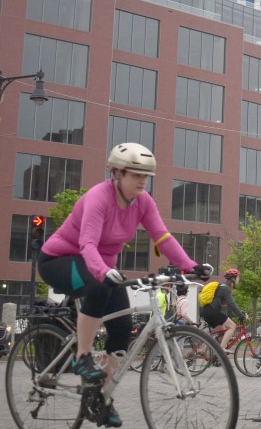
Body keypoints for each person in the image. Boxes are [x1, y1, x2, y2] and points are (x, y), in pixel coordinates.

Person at [37, 143, 211, 428]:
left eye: (146, 175)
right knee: (97, 286)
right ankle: (82, 357)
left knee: (122, 326)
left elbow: (162, 237)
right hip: (61, 259)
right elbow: (87, 244)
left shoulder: (143, 201)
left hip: (100, 267)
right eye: (135, 174)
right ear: (117, 173)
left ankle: (99, 398)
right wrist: (103, 271)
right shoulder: (99, 198)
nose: (142, 180)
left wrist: (189, 265)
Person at [200, 268, 249, 353]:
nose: (238, 279)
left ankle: (204, 350)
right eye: (238, 277)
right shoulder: (226, 288)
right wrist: (242, 316)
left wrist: (241, 312)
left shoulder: (221, 286)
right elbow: (231, 304)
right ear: (233, 278)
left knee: (222, 330)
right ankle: (221, 349)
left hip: (206, 310)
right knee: (232, 326)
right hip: (212, 311)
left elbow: (230, 305)